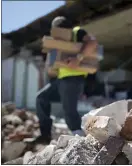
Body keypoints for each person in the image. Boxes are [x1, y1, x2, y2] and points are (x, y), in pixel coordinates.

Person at [33, 16, 98, 144]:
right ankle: (45, 134)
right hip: (60, 80)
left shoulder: (77, 32)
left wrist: (78, 58)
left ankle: (81, 140)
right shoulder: (57, 42)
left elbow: (92, 43)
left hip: (74, 79)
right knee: (41, 98)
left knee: (69, 111)